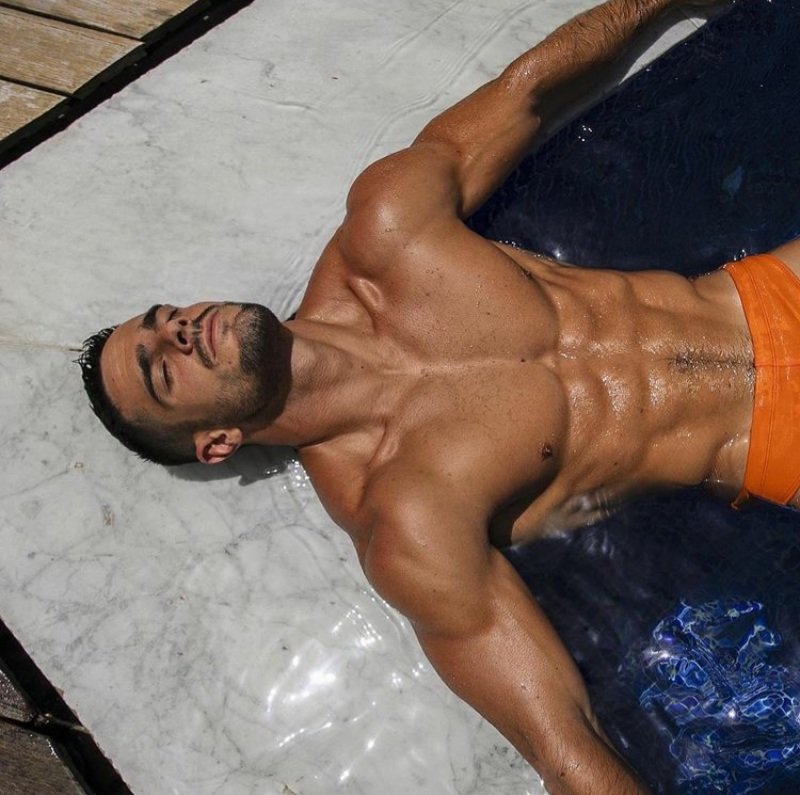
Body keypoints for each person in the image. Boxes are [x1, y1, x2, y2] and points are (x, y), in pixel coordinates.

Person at [77, 0, 799, 791]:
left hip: (763, 293)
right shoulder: (406, 521)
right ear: (216, 442)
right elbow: (563, 738)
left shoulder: (387, 229)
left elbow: (528, 90)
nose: (178, 332)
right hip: (770, 438)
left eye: (162, 317)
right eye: (161, 369)